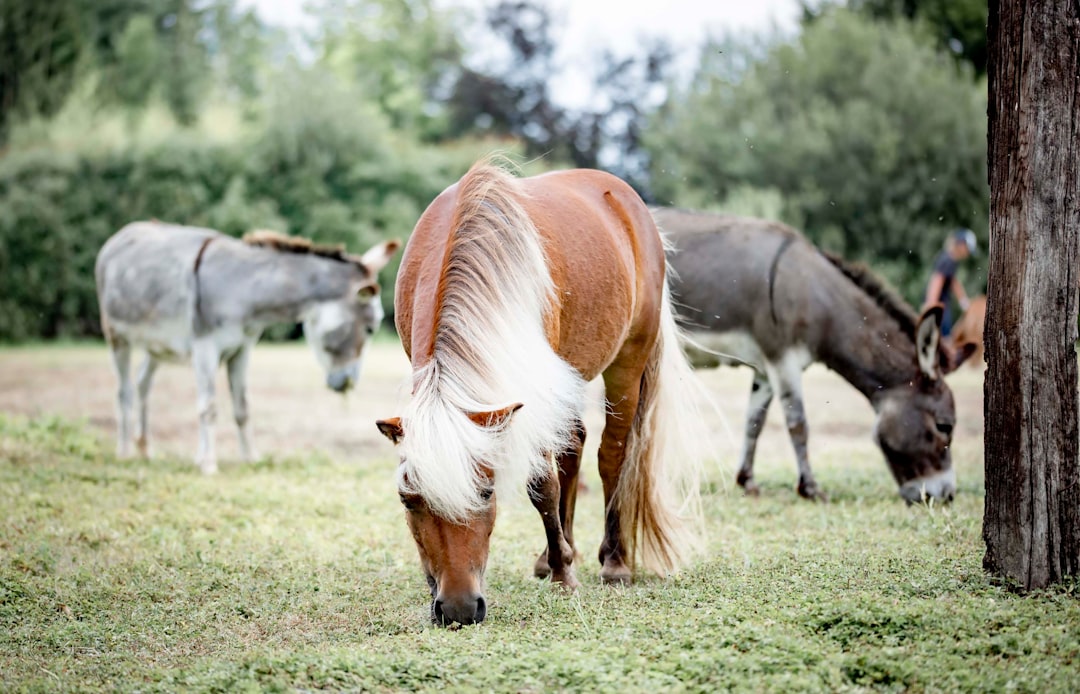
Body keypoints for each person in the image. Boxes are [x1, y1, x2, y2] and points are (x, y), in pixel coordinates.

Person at [922, 228, 978, 336]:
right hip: (938, 306)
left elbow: (953, 281)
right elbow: (937, 281)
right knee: (944, 338)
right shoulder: (948, 260)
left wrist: (963, 301)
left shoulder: (951, 259)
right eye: (967, 249)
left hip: (941, 306)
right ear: (961, 245)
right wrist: (931, 306)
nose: (967, 253)